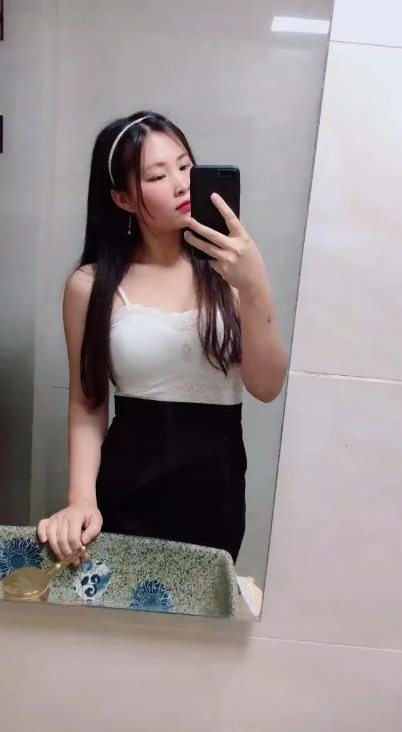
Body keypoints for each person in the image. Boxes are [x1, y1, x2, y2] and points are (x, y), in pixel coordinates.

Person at [37, 110, 288, 565]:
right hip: (126, 487)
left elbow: (267, 386)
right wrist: (81, 499)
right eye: (157, 175)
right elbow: (87, 402)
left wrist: (255, 286)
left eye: (185, 166)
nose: (180, 183)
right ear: (122, 198)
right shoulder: (90, 286)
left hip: (216, 491)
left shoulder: (231, 272)